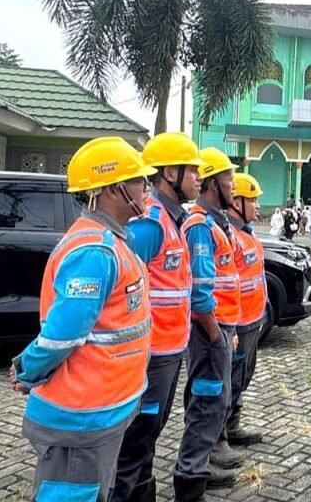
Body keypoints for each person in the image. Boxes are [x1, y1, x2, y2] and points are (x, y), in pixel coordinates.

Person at [9, 137, 154, 502]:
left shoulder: (115, 241)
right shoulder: (94, 251)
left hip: (102, 409)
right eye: (138, 181)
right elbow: (62, 334)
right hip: (82, 413)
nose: (145, 188)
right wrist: (27, 369)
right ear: (112, 190)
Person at [112, 133, 203, 502]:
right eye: (192, 169)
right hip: (150, 355)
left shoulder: (172, 218)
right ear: (169, 172)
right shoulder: (151, 223)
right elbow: (122, 287)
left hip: (168, 350)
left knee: (147, 438)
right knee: (135, 444)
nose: (199, 176)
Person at [175, 148, 241, 499]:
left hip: (219, 329)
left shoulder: (215, 222)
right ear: (214, 183)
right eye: (229, 177)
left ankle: (202, 462)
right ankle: (192, 471)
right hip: (207, 331)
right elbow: (200, 295)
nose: (233, 184)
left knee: (216, 399)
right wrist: (216, 335)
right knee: (205, 399)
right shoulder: (200, 226)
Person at [224, 174, 267, 449]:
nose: (257, 206)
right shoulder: (229, 236)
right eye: (252, 200)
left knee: (243, 377)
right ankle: (219, 437)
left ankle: (232, 426)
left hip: (253, 322)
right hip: (238, 325)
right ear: (236, 201)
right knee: (231, 379)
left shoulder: (247, 234)